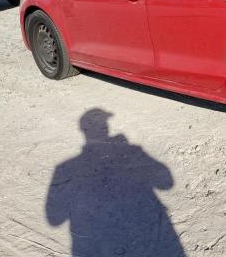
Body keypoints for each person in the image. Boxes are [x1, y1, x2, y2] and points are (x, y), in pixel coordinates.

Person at [45, 108, 185, 256]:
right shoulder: (132, 152)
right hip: (139, 239)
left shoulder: (64, 168)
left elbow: (54, 219)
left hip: (93, 244)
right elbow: (166, 183)